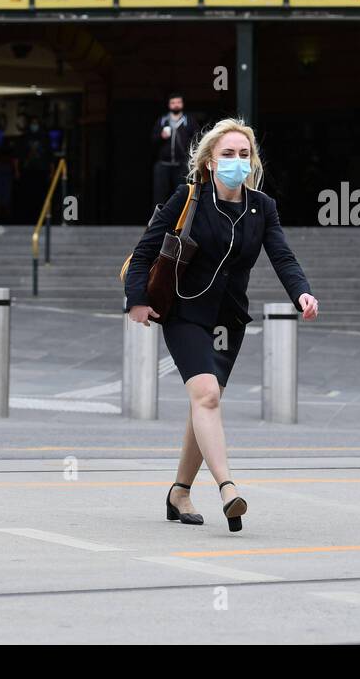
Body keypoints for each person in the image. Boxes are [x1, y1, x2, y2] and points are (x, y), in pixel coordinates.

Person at [125, 118, 317, 532]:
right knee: (208, 396)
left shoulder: (261, 207)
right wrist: (136, 300)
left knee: (204, 404)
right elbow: (144, 251)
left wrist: (301, 292)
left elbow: (282, 256)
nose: (236, 161)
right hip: (185, 312)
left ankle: (179, 491)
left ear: (253, 161)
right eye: (227, 154)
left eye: (243, 155)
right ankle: (228, 487)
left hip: (229, 317)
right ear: (211, 161)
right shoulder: (190, 197)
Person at [153, 93, 196, 212]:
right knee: (160, 195)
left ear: (182, 104)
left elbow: (197, 139)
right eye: (173, 103)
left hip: (182, 164)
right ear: (169, 105)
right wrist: (161, 136)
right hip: (163, 164)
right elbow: (153, 139)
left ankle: (180, 223)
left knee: (182, 194)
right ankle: (157, 221)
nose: (176, 105)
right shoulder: (162, 120)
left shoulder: (189, 120)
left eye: (178, 102)